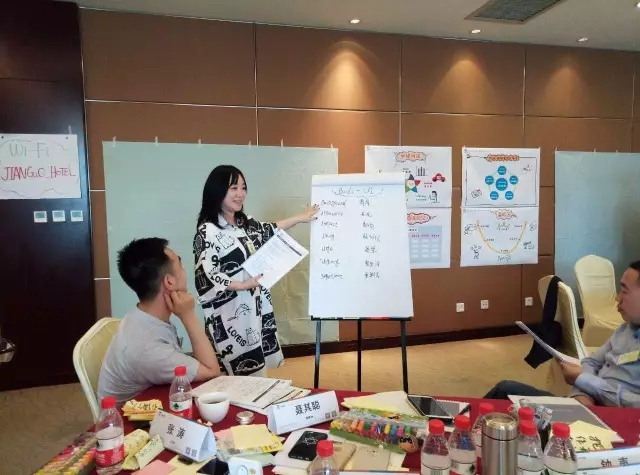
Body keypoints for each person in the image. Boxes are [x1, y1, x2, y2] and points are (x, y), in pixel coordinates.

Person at [193, 165, 318, 376]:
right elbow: (206, 275)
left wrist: (301, 217)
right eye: (234, 188)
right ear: (218, 190)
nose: (240, 194)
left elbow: (270, 228)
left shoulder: (245, 223)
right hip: (229, 311)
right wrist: (242, 285)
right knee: (232, 371)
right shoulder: (208, 231)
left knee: (257, 368)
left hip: (255, 304)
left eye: (243, 188)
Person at [484, 260, 640, 408]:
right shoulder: (626, 329)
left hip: (614, 417)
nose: (617, 298)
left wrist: (584, 381)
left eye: (624, 291)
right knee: (504, 389)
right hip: (586, 405)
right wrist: (582, 394)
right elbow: (591, 362)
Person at [98, 238, 220, 404]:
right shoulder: (149, 349)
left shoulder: (141, 315)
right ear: (169, 281)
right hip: (135, 417)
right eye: (181, 265)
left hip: (153, 397)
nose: (185, 272)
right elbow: (212, 371)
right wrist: (189, 315)